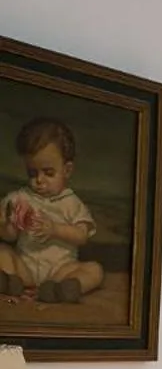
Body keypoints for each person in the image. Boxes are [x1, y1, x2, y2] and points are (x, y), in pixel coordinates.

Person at [0, 117, 103, 303]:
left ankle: (62, 290)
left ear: (67, 170)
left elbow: (82, 236)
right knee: (3, 251)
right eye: (32, 173)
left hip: (60, 270)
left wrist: (55, 229)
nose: (39, 180)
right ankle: (9, 281)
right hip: (25, 269)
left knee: (95, 270)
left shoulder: (72, 203)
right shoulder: (19, 198)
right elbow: (8, 237)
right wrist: (10, 224)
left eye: (48, 173)